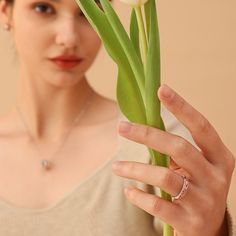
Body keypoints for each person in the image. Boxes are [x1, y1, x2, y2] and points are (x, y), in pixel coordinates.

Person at [0, 0, 235, 235]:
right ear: (5, 10)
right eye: (43, 8)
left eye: (87, 11)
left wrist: (214, 229)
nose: (68, 38)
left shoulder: (155, 139)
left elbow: (196, 221)